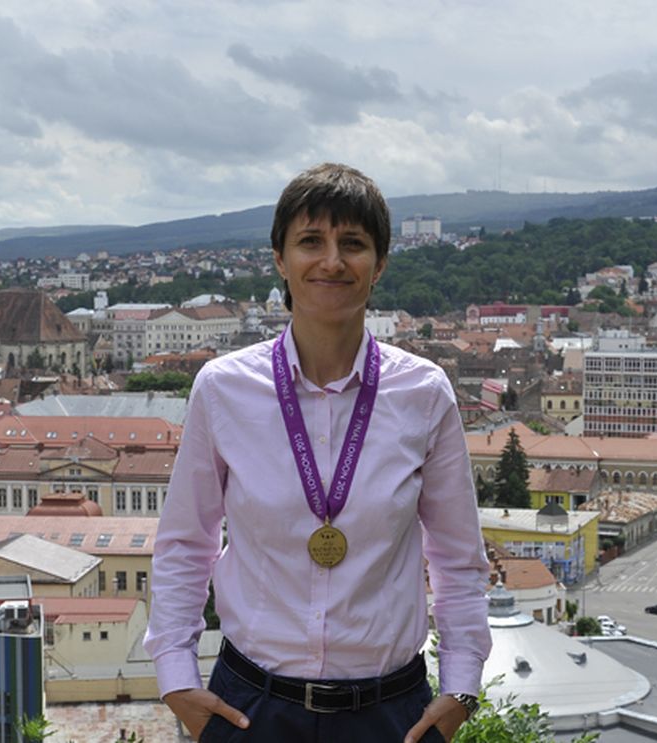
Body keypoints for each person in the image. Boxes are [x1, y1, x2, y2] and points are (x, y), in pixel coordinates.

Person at [144, 163, 491, 743]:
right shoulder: (223, 389)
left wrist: (461, 687)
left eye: (352, 243)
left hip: (391, 714)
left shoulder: (424, 393)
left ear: (379, 263)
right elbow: (186, 542)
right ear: (280, 260)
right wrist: (176, 677)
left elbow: (457, 558)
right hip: (251, 707)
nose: (332, 261)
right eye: (310, 241)